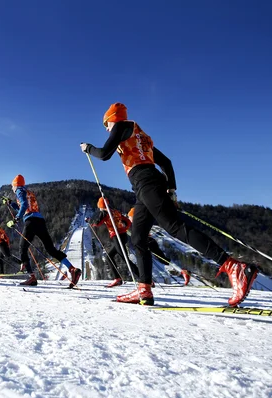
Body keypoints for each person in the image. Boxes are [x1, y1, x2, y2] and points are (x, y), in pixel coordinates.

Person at [81, 103, 258, 306]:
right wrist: (171, 190)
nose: (106, 129)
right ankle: (144, 290)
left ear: (114, 118)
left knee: (174, 227)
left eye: (106, 124)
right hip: (145, 186)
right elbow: (166, 162)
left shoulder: (121, 126)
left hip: (145, 182)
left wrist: (88, 148)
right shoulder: (140, 136)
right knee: (138, 237)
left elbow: (104, 154)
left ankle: (234, 267)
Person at [6, 174, 82, 287]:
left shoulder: (19, 191)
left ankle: (31, 277)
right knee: (50, 249)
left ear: (15, 185)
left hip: (31, 221)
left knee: (23, 248)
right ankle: (72, 269)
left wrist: (16, 219)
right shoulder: (28, 192)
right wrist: (11, 203)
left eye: (12, 186)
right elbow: (24, 207)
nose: (12, 188)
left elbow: (24, 205)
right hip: (40, 221)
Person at [127, 207, 191, 286]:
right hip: (149, 241)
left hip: (147, 242)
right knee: (160, 259)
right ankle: (182, 271)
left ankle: (147, 281)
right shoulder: (142, 221)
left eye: (130, 218)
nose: (130, 220)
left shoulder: (137, 223)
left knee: (147, 261)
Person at [87, 197, 138, 287]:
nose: (99, 208)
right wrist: (124, 228)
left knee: (125, 259)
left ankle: (144, 279)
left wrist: (90, 221)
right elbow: (128, 222)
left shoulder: (105, 213)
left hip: (117, 237)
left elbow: (97, 223)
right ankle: (117, 278)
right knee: (109, 257)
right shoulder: (115, 212)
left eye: (99, 207)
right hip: (122, 236)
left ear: (101, 206)